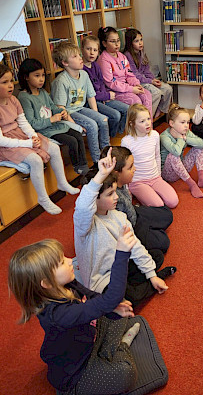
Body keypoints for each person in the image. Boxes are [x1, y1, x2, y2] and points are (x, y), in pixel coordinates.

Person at [8, 231, 141, 394]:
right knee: (126, 374)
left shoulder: (66, 284)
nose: (70, 260)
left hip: (88, 339)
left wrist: (113, 308)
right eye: (61, 262)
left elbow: (95, 298)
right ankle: (121, 346)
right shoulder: (59, 314)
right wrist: (121, 254)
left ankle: (106, 354)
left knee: (119, 313)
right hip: (76, 371)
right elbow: (110, 299)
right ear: (47, 283)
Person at [74, 147, 176, 307]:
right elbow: (83, 206)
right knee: (127, 298)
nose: (116, 197)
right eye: (109, 194)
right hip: (102, 281)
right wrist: (100, 175)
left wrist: (151, 275)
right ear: (95, 198)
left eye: (115, 192)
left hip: (120, 266)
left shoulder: (119, 216)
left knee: (156, 256)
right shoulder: (85, 224)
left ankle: (149, 281)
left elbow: (135, 246)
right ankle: (142, 288)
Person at [0, 62, 79, 215]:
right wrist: (27, 142)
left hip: (20, 135)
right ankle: (43, 198)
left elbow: (23, 122)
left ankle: (62, 182)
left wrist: (32, 136)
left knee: (53, 147)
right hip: (4, 144)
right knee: (35, 160)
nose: (10, 85)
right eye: (4, 82)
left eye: (11, 81)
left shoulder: (13, 99)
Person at [17, 58, 89, 176]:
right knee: (71, 141)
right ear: (26, 77)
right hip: (44, 131)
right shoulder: (24, 97)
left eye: (43, 75)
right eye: (37, 75)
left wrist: (62, 111)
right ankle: (78, 167)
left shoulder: (43, 92)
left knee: (78, 136)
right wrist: (51, 119)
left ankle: (84, 165)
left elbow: (53, 107)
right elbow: (31, 123)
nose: (41, 79)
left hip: (56, 126)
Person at [102, 145, 173, 253]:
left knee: (167, 213)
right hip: (131, 226)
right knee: (163, 242)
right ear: (117, 173)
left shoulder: (122, 182)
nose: (134, 169)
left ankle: (152, 228)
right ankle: (152, 229)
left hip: (134, 212)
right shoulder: (114, 198)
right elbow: (123, 229)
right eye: (130, 167)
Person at [51, 41, 110, 166]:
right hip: (69, 113)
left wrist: (96, 114)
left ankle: (106, 152)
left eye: (79, 55)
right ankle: (97, 160)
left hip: (80, 108)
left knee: (103, 119)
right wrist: (74, 125)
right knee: (92, 125)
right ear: (65, 63)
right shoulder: (61, 81)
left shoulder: (83, 74)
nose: (80, 58)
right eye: (75, 56)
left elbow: (91, 96)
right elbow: (60, 108)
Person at [121, 104, 179, 208]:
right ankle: (140, 195)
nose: (147, 123)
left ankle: (148, 194)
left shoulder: (155, 135)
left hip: (154, 177)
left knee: (173, 202)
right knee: (158, 205)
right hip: (137, 181)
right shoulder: (127, 141)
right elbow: (124, 167)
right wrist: (126, 188)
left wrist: (159, 176)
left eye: (148, 118)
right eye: (142, 121)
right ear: (132, 124)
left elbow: (157, 156)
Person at [160, 103, 203, 198]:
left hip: (181, 169)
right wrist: (180, 139)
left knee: (198, 148)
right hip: (167, 174)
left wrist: (186, 138)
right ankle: (192, 184)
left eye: (188, 122)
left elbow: (202, 144)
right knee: (173, 155)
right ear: (172, 123)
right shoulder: (164, 136)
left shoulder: (186, 132)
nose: (186, 126)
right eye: (182, 122)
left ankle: (202, 179)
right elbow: (176, 152)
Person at [97, 27, 152, 117]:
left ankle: (148, 127)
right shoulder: (104, 60)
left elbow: (129, 74)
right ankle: (136, 129)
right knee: (136, 101)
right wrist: (131, 89)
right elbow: (111, 83)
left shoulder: (122, 56)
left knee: (146, 95)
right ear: (104, 43)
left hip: (127, 88)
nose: (117, 44)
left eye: (118, 40)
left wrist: (136, 84)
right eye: (112, 41)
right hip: (114, 92)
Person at [81, 35, 128, 137]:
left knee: (127, 109)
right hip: (91, 102)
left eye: (95, 50)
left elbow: (101, 83)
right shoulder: (81, 70)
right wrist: (105, 96)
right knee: (115, 115)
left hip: (103, 97)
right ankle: (110, 137)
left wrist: (105, 95)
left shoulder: (96, 66)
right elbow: (89, 94)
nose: (92, 52)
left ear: (98, 52)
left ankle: (118, 135)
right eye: (88, 49)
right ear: (82, 49)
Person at [124, 28, 172, 118]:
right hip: (138, 82)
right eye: (136, 41)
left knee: (168, 89)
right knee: (156, 93)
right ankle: (148, 117)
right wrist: (150, 82)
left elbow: (147, 70)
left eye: (141, 40)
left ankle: (161, 110)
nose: (140, 43)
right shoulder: (128, 55)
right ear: (130, 43)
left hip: (146, 80)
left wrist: (153, 79)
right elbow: (135, 75)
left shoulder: (142, 52)